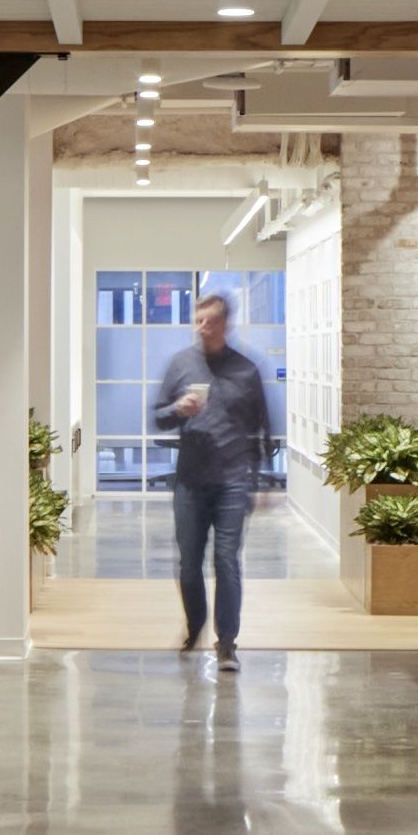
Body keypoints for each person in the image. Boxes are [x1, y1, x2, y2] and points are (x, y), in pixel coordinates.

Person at [150, 282, 272, 667]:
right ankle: (194, 626)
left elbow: (262, 428)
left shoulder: (246, 369)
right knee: (189, 560)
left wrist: (260, 479)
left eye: (210, 322)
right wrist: (177, 410)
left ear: (226, 325)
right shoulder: (181, 364)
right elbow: (158, 418)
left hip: (233, 480)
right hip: (190, 479)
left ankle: (227, 642)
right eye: (198, 321)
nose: (203, 328)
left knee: (226, 560)